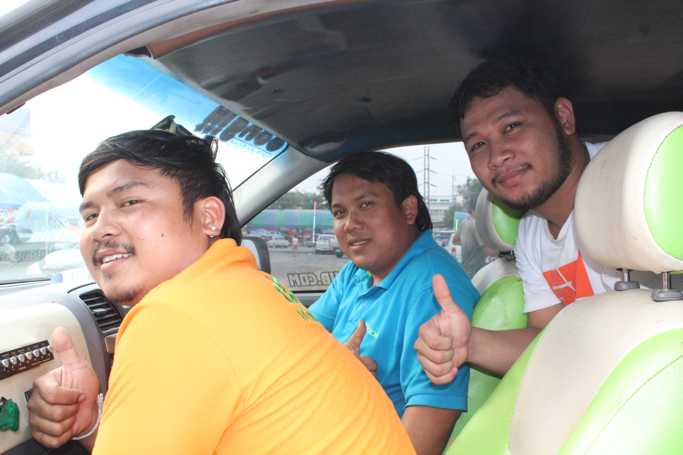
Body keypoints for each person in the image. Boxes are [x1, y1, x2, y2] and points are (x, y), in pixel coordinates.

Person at [27, 118, 415, 454]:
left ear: (209, 217)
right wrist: (93, 425)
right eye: (90, 215)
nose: (101, 229)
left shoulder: (174, 317)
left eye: (129, 202)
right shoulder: (247, 287)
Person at [415, 59, 620, 383]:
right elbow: (546, 339)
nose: (497, 156)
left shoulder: (635, 182)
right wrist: (468, 344)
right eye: (478, 145)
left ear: (563, 118)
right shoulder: (530, 232)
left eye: (511, 127)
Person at [308, 151, 479, 455]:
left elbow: (420, 441)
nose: (350, 224)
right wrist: (337, 372)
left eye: (366, 205)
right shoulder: (356, 273)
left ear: (408, 210)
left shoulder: (433, 291)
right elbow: (300, 341)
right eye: (339, 212)